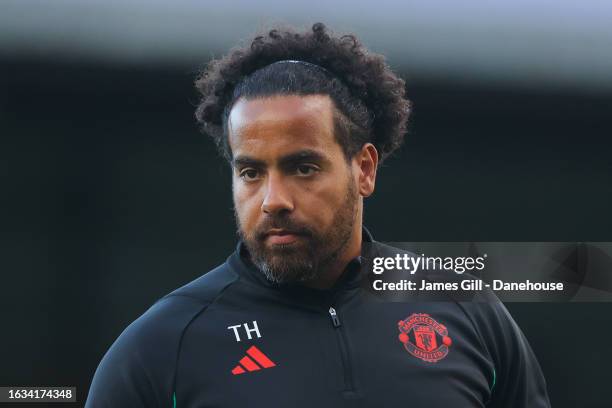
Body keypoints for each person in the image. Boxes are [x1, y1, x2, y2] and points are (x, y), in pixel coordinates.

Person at [86, 22, 550, 407]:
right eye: (250, 172)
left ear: (364, 169)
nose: (273, 200)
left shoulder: (463, 309)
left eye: (302, 167)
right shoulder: (162, 347)